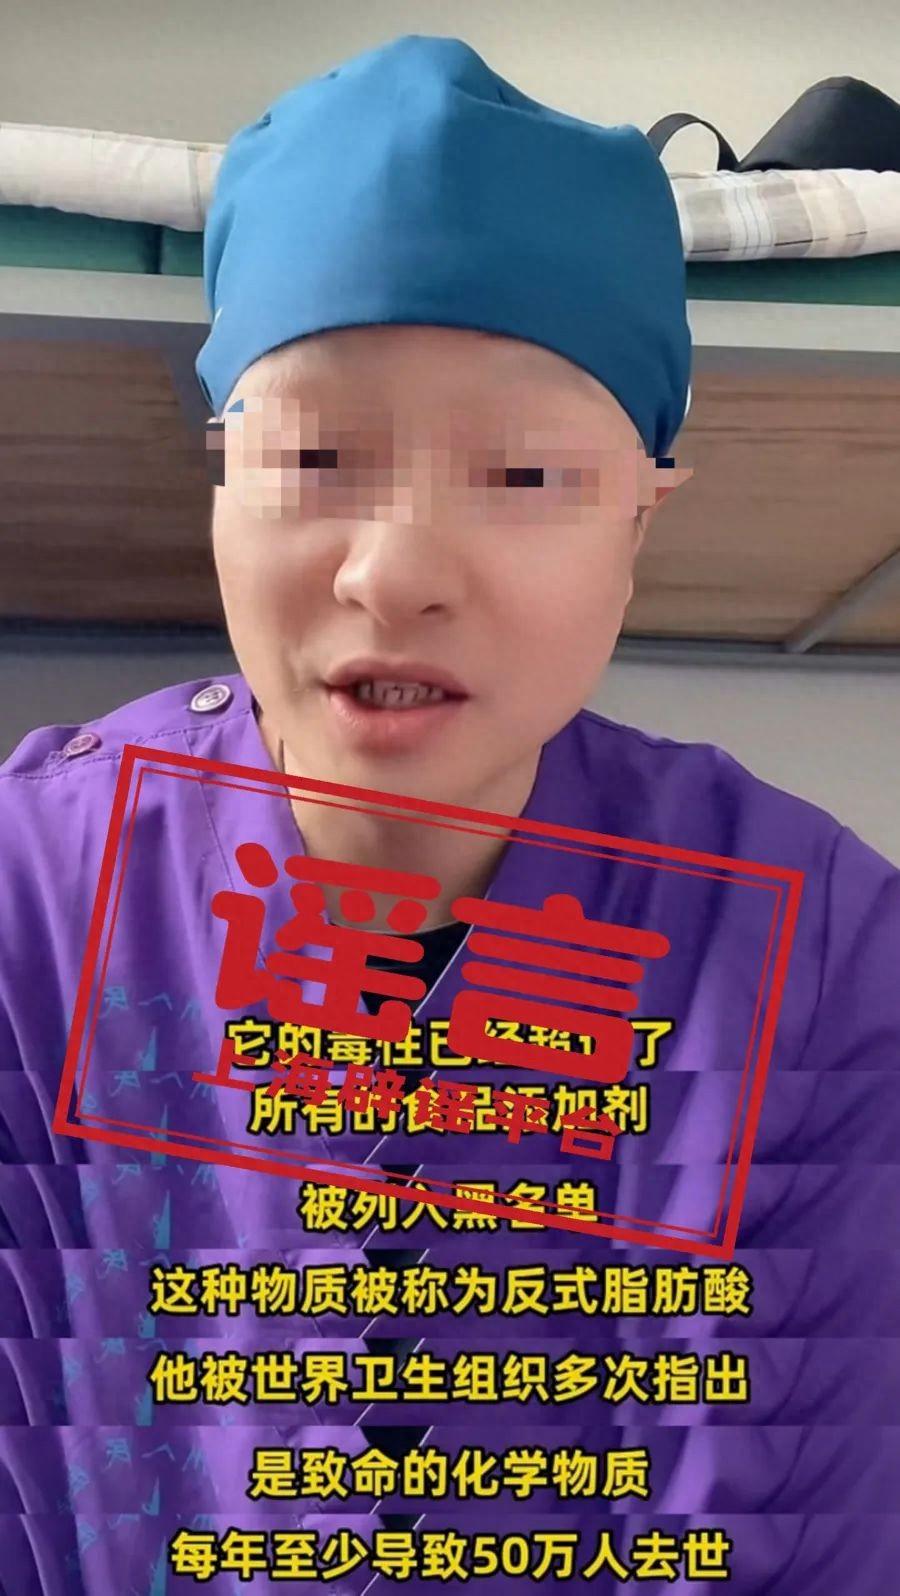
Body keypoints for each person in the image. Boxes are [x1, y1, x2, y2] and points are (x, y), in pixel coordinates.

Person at [1, 33, 898, 1595]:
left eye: (525, 476)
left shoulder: (821, 951)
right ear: (217, 481)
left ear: (641, 518)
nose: (395, 572)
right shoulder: (34, 894)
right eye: (313, 457)